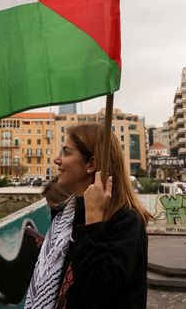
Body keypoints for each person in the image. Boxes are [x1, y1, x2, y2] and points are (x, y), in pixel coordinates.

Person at [25, 124, 151, 309]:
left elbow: (99, 293)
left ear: (91, 164)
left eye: (66, 153)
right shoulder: (67, 218)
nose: (56, 160)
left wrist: (93, 222)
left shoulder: (127, 220)